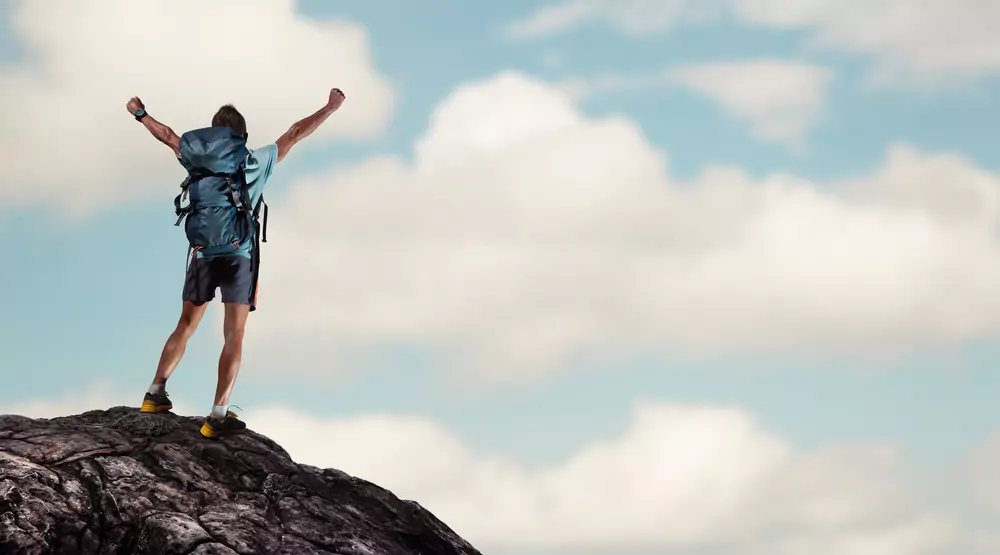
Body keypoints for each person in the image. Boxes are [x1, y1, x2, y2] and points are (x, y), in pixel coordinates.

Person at [126, 88, 346, 438]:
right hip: (238, 256)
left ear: (212, 135)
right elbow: (295, 132)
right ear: (242, 136)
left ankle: (155, 392)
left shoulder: (194, 159)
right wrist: (330, 107)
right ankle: (217, 415)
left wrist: (140, 114)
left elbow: (166, 134)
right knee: (234, 334)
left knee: (185, 324)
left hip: (203, 252)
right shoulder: (254, 161)